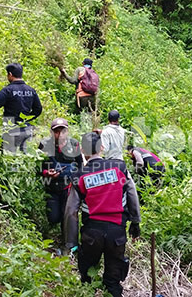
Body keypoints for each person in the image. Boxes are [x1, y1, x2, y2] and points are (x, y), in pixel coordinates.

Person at [64, 132, 141, 297]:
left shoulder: (79, 176)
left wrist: (71, 243)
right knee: (113, 281)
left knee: (87, 279)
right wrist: (135, 222)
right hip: (117, 233)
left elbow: (71, 212)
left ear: (83, 150)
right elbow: (132, 194)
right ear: (102, 147)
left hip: (92, 234)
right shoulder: (119, 167)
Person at [38, 118, 83, 241]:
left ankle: (67, 242)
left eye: (62, 131)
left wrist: (77, 181)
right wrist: (47, 173)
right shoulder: (44, 144)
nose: (60, 134)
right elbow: (38, 166)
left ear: (67, 132)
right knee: (53, 217)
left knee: (67, 215)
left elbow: (80, 165)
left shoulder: (74, 144)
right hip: (51, 186)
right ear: (52, 133)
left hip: (68, 187)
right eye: (56, 131)